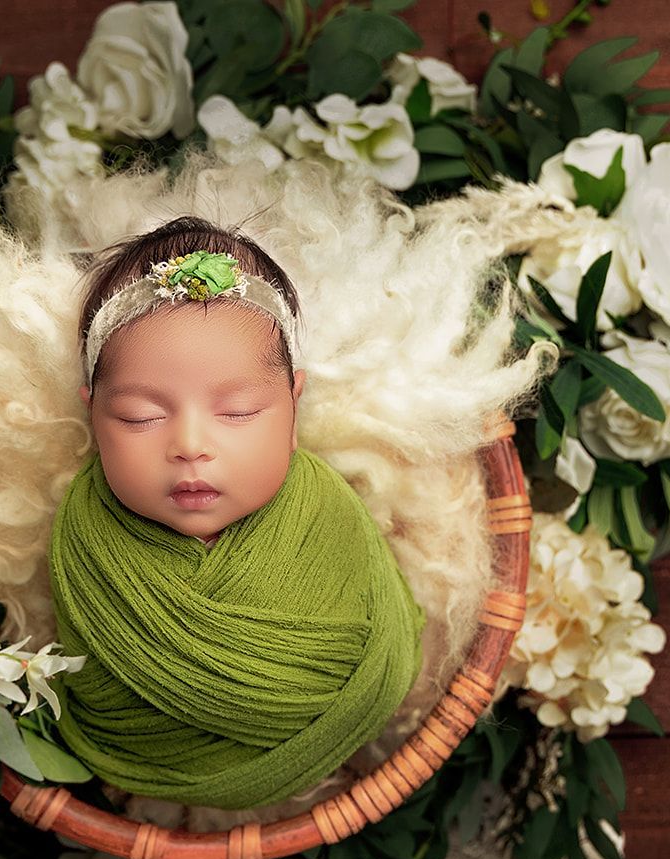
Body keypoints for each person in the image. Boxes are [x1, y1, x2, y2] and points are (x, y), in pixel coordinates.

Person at [45, 215, 428, 813]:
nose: (191, 444)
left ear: (294, 407)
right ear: (92, 417)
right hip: (138, 771)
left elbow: (384, 644)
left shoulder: (329, 515)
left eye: (240, 411)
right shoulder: (84, 540)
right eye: (141, 417)